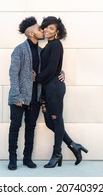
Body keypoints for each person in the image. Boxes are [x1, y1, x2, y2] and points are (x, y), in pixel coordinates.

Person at [7, 16, 64, 170]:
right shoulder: (19, 50)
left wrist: (62, 72)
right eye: (39, 29)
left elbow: (51, 66)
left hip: (35, 97)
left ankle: (27, 158)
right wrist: (16, 95)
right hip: (19, 98)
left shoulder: (41, 51)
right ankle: (12, 158)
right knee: (15, 127)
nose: (43, 30)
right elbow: (13, 74)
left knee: (30, 127)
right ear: (31, 34)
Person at [35, 16, 88, 168]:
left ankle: (57, 154)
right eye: (45, 27)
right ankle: (73, 145)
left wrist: (36, 78)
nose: (47, 30)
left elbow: (52, 69)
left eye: (51, 28)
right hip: (47, 87)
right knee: (50, 122)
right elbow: (53, 67)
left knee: (56, 120)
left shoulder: (56, 44)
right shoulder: (48, 46)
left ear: (57, 31)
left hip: (54, 88)